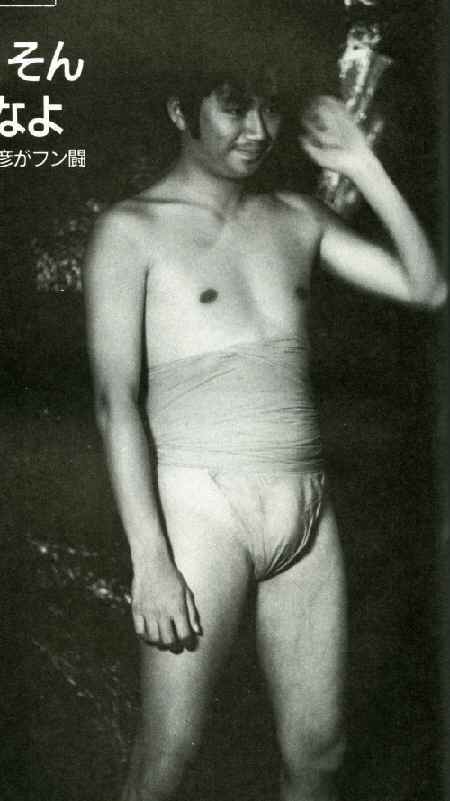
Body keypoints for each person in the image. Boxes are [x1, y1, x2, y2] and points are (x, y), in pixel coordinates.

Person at [83, 55, 446, 801]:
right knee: (168, 756)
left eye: (269, 110)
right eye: (234, 108)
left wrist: (364, 165)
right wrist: (151, 560)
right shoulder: (131, 230)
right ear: (181, 112)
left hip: (307, 513)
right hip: (203, 510)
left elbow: (427, 287)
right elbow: (115, 401)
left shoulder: (295, 216)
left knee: (320, 754)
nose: (257, 130)